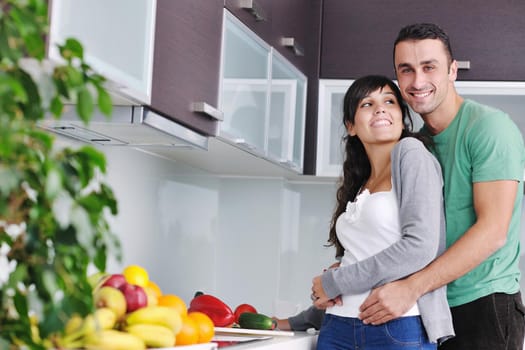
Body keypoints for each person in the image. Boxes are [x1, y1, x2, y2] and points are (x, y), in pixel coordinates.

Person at [357, 23, 525, 350]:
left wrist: (412, 287)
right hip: (432, 307)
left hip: (483, 304)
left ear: (452, 71)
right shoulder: (414, 145)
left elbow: (493, 231)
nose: (417, 81)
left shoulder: (489, 128)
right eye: (406, 70)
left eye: (429, 67)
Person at [311, 75, 454, 349]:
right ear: (351, 126)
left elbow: (419, 247)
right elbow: (356, 261)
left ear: (402, 117)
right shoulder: (360, 182)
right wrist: (308, 308)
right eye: (367, 104)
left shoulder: (411, 153)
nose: (380, 109)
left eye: (389, 101)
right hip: (337, 326)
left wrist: (333, 281)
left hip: (397, 325)